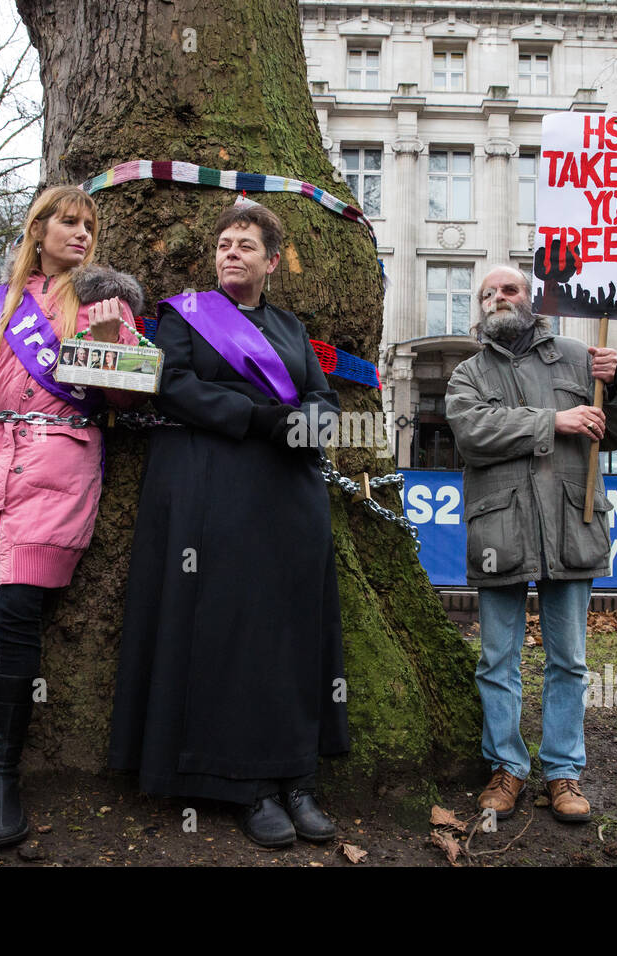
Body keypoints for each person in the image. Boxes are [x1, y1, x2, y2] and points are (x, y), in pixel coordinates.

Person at [107, 201, 348, 849]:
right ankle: (245, 785)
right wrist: (259, 418)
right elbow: (174, 384)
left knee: (292, 639)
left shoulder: (293, 329)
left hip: (291, 499)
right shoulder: (182, 318)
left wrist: (314, 422)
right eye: (223, 243)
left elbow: (322, 395)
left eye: (245, 244)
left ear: (272, 261)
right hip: (216, 494)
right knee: (231, 637)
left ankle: (296, 775)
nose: (230, 252)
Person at [0, 185, 145, 850]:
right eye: (68, 222)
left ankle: (0, 778)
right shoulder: (1, 302)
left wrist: (110, 343)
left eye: (88, 225)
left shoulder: (105, 299)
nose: (80, 234)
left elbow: (124, 395)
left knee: (16, 613)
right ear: (39, 229)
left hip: (53, 469)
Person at [445, 265, 617, 825]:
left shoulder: (581, 356)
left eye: (509, 290)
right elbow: (473, 433)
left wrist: (616, 386)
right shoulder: (468, 375)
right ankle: (505, 767)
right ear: (480, 308)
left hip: (571, 523)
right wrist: (553, 420)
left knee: (569, 661)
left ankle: (562, 772)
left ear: (531, 301)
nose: (498, 299)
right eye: (488, 294)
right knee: (496, 660)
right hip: (499, 531)